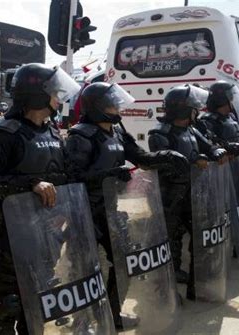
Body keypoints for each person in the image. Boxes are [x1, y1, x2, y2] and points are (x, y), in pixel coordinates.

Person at [65, 82, 189, 329]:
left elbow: (141, 159)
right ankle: (81, 323)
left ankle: (113, 314)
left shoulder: (117, 130)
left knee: (123, 262)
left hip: (111, 210)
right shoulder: (80, 135)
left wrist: (166, 156)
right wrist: (108, 174)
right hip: (85, 212)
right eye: (112, 102)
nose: (117, 106)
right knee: (83, 271)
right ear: (99, 106)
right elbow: (72, 178)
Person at [0, 63, 80, 334]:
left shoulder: (51, 131)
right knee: (9, 301)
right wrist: (31, 184)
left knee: (39, 297)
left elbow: (64, 175)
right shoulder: (2, 134)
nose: (58, 98)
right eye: (53, 91)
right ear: (37, 93)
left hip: (50, 229)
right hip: (16, 233)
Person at [148, 84, 226, 299]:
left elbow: (208, 146)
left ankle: (196, 285)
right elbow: (165, 162)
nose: (197, 112)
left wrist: (216, 151)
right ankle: (168, 294)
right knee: (171, 243)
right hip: (171, 197)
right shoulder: (159, 133)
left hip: (194, 194)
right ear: (183, 109)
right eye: (193, 108)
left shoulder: (191, 130)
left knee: (199, 239)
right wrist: (193, 160)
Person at [196, 80, 239, 158]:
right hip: (224, 167)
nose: (232, 100)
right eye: (230, 96)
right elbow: (214, 144)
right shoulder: (209, 120)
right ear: (222, 99)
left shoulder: (231, 116)